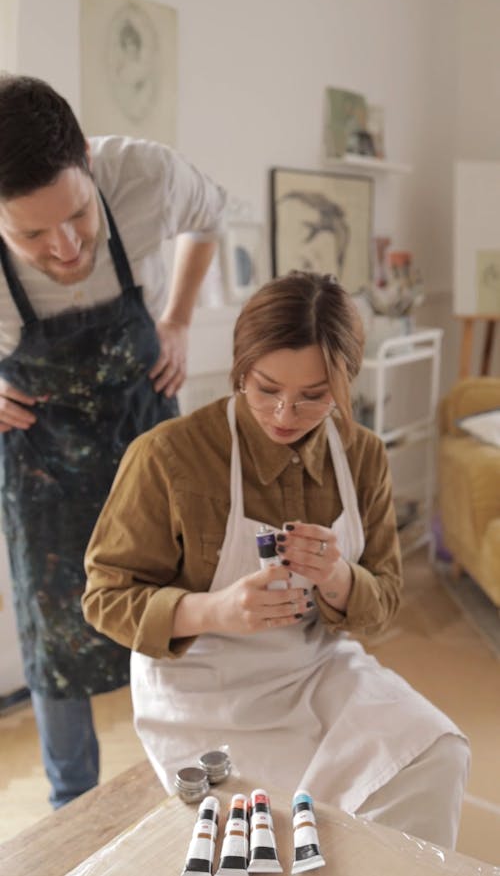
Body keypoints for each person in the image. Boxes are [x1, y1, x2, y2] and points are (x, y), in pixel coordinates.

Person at [83, 272, 469, 848]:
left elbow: (384, 600)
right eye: (265, 388)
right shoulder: (168, 456)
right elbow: (104, 599)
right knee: (276, 828)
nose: (286, 413)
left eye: (315, 396)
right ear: (240, 369)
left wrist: (338, 578)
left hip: (315, 666)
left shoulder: (361, 456)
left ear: (344, 384)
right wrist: (213, 610)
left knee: (435, 752)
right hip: (202, 687)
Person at [0, 73, 226, 808]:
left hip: (147, 433)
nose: (65, 247)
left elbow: (211, 215)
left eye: (75, 215)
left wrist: (182, 317)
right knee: (55, 639)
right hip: (42, 464)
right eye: (30, 233)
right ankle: (73, 804)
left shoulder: (147, 174)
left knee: (180, 606)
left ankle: (205, 777)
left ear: (91, 163)